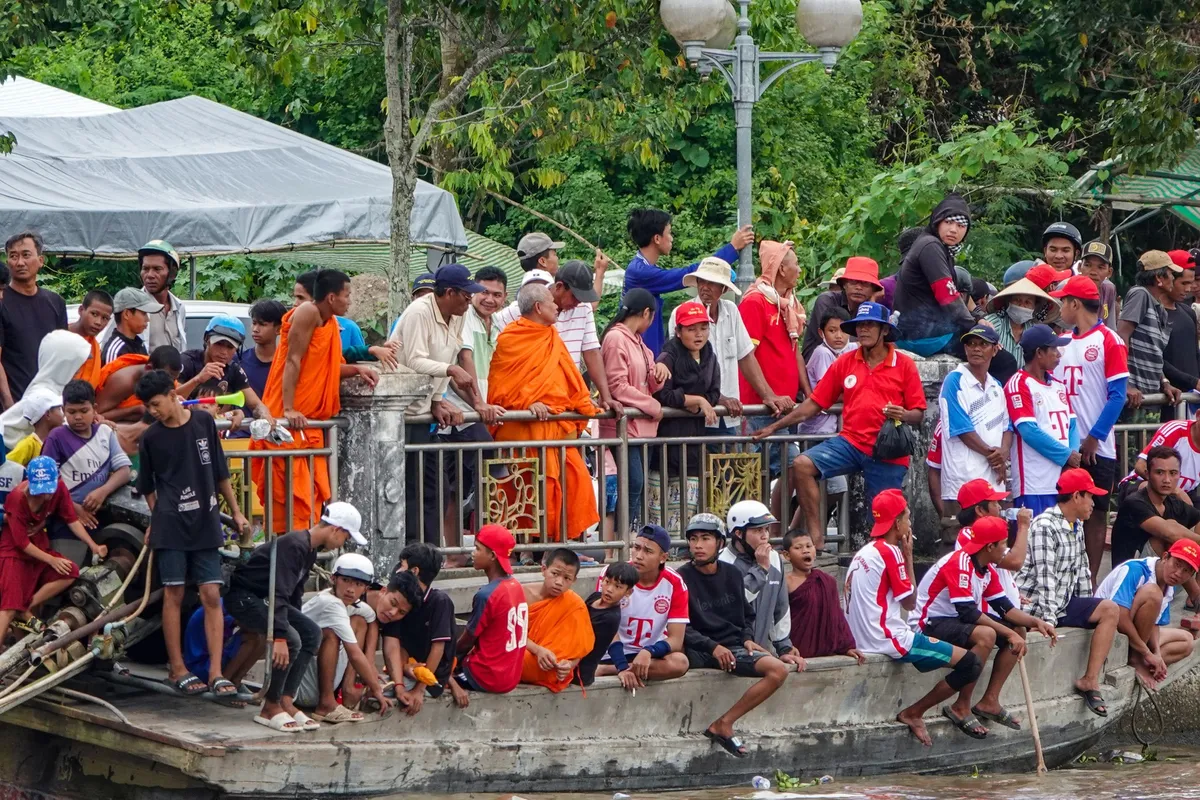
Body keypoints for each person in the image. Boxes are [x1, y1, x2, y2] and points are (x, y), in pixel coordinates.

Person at [754, 302, 925, 549]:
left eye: (870, 325)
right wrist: (774, 427)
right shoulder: (845, 361)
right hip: (851, 442)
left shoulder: (904, 364)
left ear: (884, 330)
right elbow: (814, 403)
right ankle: (816, 537)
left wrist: (904, 414)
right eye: (860, 325)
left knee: (884, 525)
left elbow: (919, 413)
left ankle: (893, 567)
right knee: (802, 465)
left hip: (888, 450)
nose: (863, 330)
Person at [135, 368, 250, 699]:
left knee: (211, 594)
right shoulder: (151, 438)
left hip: (206, 522)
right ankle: (177, 668)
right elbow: (148, 486)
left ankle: (215, 671)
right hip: (171, 525)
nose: (153, 411)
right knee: (172, 594)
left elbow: (220, 472)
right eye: (149, 407)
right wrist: (157, 517)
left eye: (157, 404)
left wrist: (237, 511)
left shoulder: (203, 424)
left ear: (173, 395)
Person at [845, 490, 982, 747]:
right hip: (888, 639)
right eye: (907, 517)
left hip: (864, 636)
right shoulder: (890, 552)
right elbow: (910, 602)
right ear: (897, 524)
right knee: (971, 664)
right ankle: (914, 712)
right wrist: (908, 556)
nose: (910, 523)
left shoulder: (863, 552)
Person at [227, 502, 378, 731]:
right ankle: (270, 707)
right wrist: (280, 635)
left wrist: (294, 621)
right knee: (292, 639)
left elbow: (293, 594)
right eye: (345, 536)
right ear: (336, 530)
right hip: (246, 597)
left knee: (311, 633)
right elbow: (278, 590)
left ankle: (286, 699)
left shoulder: (309, 550)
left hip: (268, 601)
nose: (342, 543)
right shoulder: (294, 545)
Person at [253, 270, 378, 533]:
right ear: (331, 297)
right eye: (347, 295)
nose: (350, 301)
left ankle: (303, 560)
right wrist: (289, 409)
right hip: (289, 418)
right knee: (290, 501)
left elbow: (327, 367)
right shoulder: (307, 312)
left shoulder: (330, 321)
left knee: (311, 499)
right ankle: (284, 559)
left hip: (310, 424)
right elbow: (293, 360)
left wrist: (357, 370)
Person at [910, 516, 1056, 737]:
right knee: (986, 634)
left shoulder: (987, 568)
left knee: (1018, 629)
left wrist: (1037, 622)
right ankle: (962, 705)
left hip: (955, 620)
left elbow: (1005, 608)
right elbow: (967, 612)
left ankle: (990, 700)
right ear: (990, 547)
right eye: (1004, 544)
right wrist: (1006, 632)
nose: (1006, 550)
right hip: (930, 622)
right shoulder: (959, 563)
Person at [487, 284, 602, 543]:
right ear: (539, 307)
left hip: (555, 429)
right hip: (524, 431)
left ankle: (560, 542)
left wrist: (581, 403)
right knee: (529, 485)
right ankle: (529, 545)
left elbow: (567, 379)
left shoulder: (551, 336)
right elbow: (500, 390)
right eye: (552, 302)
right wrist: (528, 404)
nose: (556, 306)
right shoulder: (510, 338)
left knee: (576, 479)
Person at [679, 513, 797, 758]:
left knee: (778, 670)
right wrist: (713, 647)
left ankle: (724, 723)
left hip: (733, 647)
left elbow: (746, 616)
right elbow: (681, 627)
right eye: (693, 539)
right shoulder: (681, 578)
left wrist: (746, 638)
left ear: (720, 543)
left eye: (705, 538)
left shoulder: (731, 574)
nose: (697, 545)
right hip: (700, 649)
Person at [391, 264, 485, 547]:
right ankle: (410, 547)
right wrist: (450, 370)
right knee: (408, 486)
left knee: (436, 487)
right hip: (401, 410)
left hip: (424, 410)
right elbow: (416, 360)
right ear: (449, 293)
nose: (471, 300)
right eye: (466, 295)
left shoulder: (457, 315)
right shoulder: (420, 311)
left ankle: (430, 549)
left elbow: (449, 351)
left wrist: (437, 399)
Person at [1015, 468, 1120, 716]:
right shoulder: (1044, 525)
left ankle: (1090, 680)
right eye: (1090, 497)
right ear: (1076, 496)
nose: (1093, 503)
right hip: (1035, 607)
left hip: (1063, 603)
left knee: (1109, 610)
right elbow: (1046, 577)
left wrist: (1088, 605)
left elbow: (1082, 570)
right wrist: (1047, 622)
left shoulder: (1076, 525)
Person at [1052, 273, 1129, 581]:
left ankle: (1090, 579)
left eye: (1063, 300)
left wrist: (1095, 438)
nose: (1059, 306)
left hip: (1098, 446)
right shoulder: (1060, 341)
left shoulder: (1110, 340)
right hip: (1062, 443)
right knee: (1062, 510)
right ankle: (1063, 577)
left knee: (1095, 515)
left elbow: (1117, 396)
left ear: (1074, 303)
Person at [671, 257, 792, 435]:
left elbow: (746, 356)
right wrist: (719, 398)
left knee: (729, 459)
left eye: (713, 283)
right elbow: (683, 367)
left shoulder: (731, 311)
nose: (705, 287)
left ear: (724, 288)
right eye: (702, 281)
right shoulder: (681, 313)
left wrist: (768, 395)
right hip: (697, 412)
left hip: (729, 413)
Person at [491, 260, 623, 414]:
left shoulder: (583, 308)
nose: (578, 302)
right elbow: (498, 353)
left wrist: (605, 396)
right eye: (575, 296)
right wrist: (525, 399)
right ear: (559, 287)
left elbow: (592, 353)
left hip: (568, 399)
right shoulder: (523, 307)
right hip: (530, 405)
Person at [0, 457, 107, 640]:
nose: (46, 496)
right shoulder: (17, 497)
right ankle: (17, 616)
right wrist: (51, 560)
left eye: (49, 490)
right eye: (41, 491)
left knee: (70, 571)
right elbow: (21, 543)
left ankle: (24, 608)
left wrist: (94, 546)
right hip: (14, 551)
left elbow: (71, 519)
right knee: (8, 609)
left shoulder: (60, 489)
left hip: (39, 545)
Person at [294, 553, 406, 724]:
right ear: (333, 579)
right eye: (345, 580)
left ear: (366, 588)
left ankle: (348, 690)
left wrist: (369, 664)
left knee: (359, 622)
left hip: (313, 682)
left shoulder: (352, 604)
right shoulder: (330, 603)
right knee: (331, 635)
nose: (351, 589)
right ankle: (326, 704)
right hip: (297, 687)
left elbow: (370, 618)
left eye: (358, 584)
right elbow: (354, 654)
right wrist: (376, 689)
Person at [623, 208, 750, 356]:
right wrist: (732, 249)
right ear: (657, 239)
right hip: (637, 354)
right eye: (669, 233)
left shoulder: (644, 268)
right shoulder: (640, 272)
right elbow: (687, 273)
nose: (671, 238)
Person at [740, 241, 813, 487]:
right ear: (782, 269)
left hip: (786, 408)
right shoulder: (755, 302)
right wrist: (769, 395)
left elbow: (795, 353)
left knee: (789, 471)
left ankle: (778, 526)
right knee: (756, 478)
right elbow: (746, 354)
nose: (800, 270)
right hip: (760, 409)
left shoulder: (789, 304)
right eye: (796, 264)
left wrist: (809, 393)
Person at [1095, 538, 1200, 689]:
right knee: (1153, 593)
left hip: (1135, 634)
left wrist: (1156, 653)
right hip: (1109, 630)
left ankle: (1151, 664)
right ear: (1165, 557)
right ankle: (1136, 659)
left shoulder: (1168, 586)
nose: (1178, 574)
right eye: (1176, 565)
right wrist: (1146, 652)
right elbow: (1120, 616)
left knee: (1187, 641)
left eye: (1186, 571)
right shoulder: (1136, 569)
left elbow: (1154, 624)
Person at [594, 525, 690, 689]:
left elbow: (676, 639)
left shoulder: (675, 583)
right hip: (610, 651)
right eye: (636, 547)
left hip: (648, 658)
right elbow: (606, 627)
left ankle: (608, 670)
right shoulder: (612, 573)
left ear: (663, 557)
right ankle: (608, 668)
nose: (638, 556)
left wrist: (649, 651)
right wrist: (621, 666)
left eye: (648, 551)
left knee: (680, 662)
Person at [598, 288, 665, 522]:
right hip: (625, 425)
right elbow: (617, 386)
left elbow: (647, 381)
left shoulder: (638, 341)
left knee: (637, 484)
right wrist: (652, 405)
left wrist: (659, 374)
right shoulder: (616, 338)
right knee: (632, 483)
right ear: (647, 313)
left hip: (640, 427)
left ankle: (627, 536)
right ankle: (621, 538)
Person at [1005, 325, 1079, 516]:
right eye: (1054, 349)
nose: (1058, 355)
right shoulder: (1018, 383)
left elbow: (1072, 424)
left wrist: (1072, 459)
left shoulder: (1059, 385)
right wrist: (1065, 456)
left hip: (1063, 481)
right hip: (1034, 483)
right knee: (1032, 540)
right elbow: (1028, 430)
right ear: (1039, 352)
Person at [450, 525, 529, 704]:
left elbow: (467, 640)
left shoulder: (487, 594)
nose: (473, 553)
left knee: (435, 672)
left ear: (492, 556)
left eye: (478, 549)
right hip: (511, 676)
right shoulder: (515, 586)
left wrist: (448, 654)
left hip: (487, 677)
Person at [41, 380, 132, 534]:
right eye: (71, 412)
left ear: (94, 409)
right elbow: (47, 481)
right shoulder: (57, 437)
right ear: (63, 410)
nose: (78, 417)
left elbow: (124, 471)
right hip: (66, 518)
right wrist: (74, 509)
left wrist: (102, 491)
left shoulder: (105, 432)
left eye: (84, 411)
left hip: (101, 515)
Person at [938, 325, 1011, 513]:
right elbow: (961, 429)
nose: (976, 348)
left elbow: (1007, 427)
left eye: (983, 344)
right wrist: (995, 457)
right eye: (971, 344)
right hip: (963, 483)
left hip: (993, 481)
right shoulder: (954, 381)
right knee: (960, 537)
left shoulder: (996, 386)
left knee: (994, 538)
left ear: (995, 350)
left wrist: (1003, 453)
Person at [893, 194, 978, 355]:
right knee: (999, 358)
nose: (954, 230)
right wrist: (973, 327)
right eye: (948, 222)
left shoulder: (941, 248)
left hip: (924, 331)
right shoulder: (931, 245)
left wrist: (978, 318)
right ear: (937, 222)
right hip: (921, 336)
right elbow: (947, 294)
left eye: (961, 226)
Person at [380, 542, 456, 714]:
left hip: (429, 678)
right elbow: (394, 643)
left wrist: (419, 689)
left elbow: (438, 649)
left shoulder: (439, 602)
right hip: (405, 669)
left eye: (402, 565)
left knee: (380, 689)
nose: (397, 569)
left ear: (414, 571)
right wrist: (402, 676)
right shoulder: (400, 596)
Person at [798, 307, 858, 512]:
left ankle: (804, 528)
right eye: (832, 331)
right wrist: (859, 391)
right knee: (835, 487)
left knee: (825, 487)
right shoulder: (822, 352)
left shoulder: (850, 351)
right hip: (819, 430)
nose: (839, 335)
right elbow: (830, 392)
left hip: (835, 431)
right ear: (822, 333)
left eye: (842, 330)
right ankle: (811, 527)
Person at [719, 502, 797, 658]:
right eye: (757, 530)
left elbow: (780, 608)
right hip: (730, 653)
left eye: (766, 529)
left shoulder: (774, 558)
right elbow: (734, 603)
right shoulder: (722, 562)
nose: (765, 536)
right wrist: (761, 570)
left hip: (760, 652)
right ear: (739, 534)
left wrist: (784, 648)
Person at [0, 232, 68, 407]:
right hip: (14, 403)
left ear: (41, 260)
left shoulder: (55, 302)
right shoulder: (1, 301)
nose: (20, 262)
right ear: (7, 262)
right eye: (13, 256)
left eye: (26, 255)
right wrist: (8, 401)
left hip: (49, 404)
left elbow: (62, 354)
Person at [655, 301, 721, 478]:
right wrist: (694, 400)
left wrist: (701, 403)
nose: (699, 334)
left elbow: (714, 392)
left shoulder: (710, 357)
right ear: (678, 332)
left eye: (704, 328)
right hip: (667, 440)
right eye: (691, 329)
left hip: (695, 438)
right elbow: (662, 394)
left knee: (692, 500)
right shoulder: (667, 357)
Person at [1111, 446, 1200, 569]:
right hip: (1131, 577)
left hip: (1162, 578)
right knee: (1168, 536)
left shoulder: (1174, 502)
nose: (1167, 480)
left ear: (1179, 475)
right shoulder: (1134, 502)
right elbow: (1170, 533)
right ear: (1147, 474)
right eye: (1159, 472)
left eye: (1173, 473)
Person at [520, 548, 595, 692]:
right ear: (543, 570)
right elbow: (509, 633)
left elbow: (579, 648)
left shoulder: (575, 605)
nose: (559, 582)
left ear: (574, 580)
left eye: (567, 578)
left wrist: (569, 665)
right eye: (554, 574)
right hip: (525, 655)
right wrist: (537, 650)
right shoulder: (522, 594)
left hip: (552, 670)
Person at [783, 529, 863, 662]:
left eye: (809, 546)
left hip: (826, 651)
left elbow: (836, 616)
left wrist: (847, 646)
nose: (805, 551)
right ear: (786, 555)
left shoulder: (827, 581)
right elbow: (778, 619)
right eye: (798, 547)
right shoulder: (786, 583)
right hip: (797, 650)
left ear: (815, 549)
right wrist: (785, 648)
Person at [293, 271, 399, 367]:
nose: (295, 303)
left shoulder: (334, 325)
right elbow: (294, 362)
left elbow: (335, 359)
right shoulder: (299, 321)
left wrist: (372, 351)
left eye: (301, 298)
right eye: (346, 296)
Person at [1118, 250, 1181, 410]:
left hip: (1148, 397)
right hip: (1133, 398)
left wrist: (1164, 383)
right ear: (1159, 278)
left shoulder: (1160, 309)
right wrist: (1126, 385)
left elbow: (1154, 354)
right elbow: (1121, 336)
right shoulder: (1140, 294)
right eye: (1170, 273)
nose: (1173, 278)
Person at [802, 256, 883, 359]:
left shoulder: (869, 307)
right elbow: (837, 344)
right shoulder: (827, 300)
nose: (858, 287)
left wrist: (872, 303)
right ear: (844, 284)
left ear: (873, 289)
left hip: (851, 367)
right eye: (853, 282)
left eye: (865, 284)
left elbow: (880, 342)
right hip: (820, 367)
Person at [578, 561, 637, 686]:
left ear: (628, 592)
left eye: (618, 586)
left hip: (578, 670)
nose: (609, 589)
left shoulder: (611, 618)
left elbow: (585, 643)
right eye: (607, 582)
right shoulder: (595, 596)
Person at [234, 299, 286, 438]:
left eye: (262, 324)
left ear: (278, 329)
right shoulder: (238, 361)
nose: (256, 329)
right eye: (254, 323)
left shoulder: (287, 365)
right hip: (241, 436)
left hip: (275, 438)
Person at [980, 278, 1060, 365]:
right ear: (1008, 302)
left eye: (1027, 302)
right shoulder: (992, 324)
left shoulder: (1035, 331)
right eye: (1017, 300)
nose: (1022, 305)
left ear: (1035, 307)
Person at [94, 345, 182, 423]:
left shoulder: (160, 375)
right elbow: (95, 415)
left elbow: (175, 390)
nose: (169, 383)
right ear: (149, 368)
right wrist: (134, 410)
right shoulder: (124, 382)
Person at [1161, 250, 1200, 421]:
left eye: (1191, 283)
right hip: (1167, 399)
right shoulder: (1153, 314)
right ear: (1168, 279)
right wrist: (1192, 381)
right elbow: (1157, 360)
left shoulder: (1187, 312)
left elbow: (1195, 354)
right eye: (1183, 283)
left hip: (1193, 402)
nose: (1189, 289)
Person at [1129, 414, 1200, 502]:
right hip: (1141, 483)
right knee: (1149, 490)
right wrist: (1175, 490)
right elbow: (1140, 466)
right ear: (1198, 415)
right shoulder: (1176, 429)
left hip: (1185, 493)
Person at [137, 240, 187, 352]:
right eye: (145, 269)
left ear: (172, 273)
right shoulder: (133, 307)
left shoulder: (179, 308)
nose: (149, 275)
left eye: (157, 269)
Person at [101, 288, 161, 365]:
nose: (147, 319)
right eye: (144, 313)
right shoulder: (115, 351)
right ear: (126, 314)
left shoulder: (138, 343)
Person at [4, 388, 63, 467]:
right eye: (59, 409)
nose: (63, 414)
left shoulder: (59, 441)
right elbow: (6, 467)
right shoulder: (28, 445)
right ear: (48, 414)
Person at [69, 291, 114, 387]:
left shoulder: (95, 347)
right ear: (81, 310)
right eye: (94, 314)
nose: (98, 322)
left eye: (105, 318)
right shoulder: (59, 339)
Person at [1078, 240, 1119, 329]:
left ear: (1109, 272)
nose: (1093, 272)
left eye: (1100, 267)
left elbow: (1110, 327)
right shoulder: (1068, 288)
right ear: (1079, 267)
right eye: (1088, 265)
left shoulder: (1109, 289)